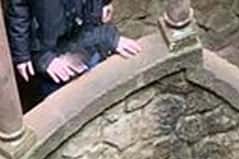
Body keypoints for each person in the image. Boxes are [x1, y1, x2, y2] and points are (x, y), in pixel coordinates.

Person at [5, 1, 141, 95]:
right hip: (50, 48)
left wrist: (105, 3)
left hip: (86, 35)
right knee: (59, 92)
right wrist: (26, 55)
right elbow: (18, 11)